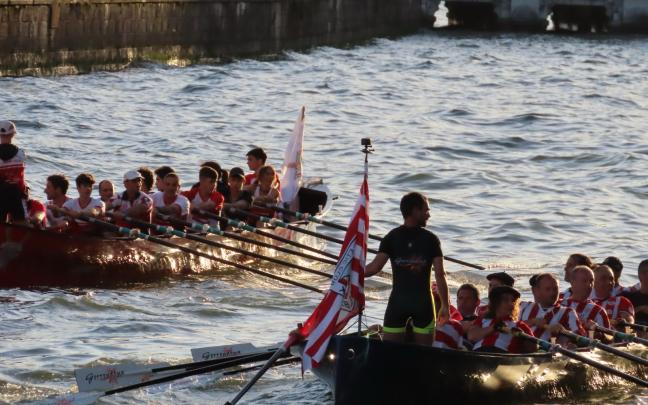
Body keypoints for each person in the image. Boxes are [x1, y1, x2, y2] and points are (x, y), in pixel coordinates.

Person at [365, 192, 450, 345]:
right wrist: (445, 306)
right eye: (426, 210)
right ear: (415, 210)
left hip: (398, 302)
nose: (429, 215)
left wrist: (351, 273)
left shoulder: (391, 237)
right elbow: (440, 274)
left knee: (391, 352)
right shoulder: (431, 239)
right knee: (423, 355)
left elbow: (373, 268)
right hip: (423, 304)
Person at [519, 273, 585, 346]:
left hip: (550, 351)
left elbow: (581, 338)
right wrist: (532, 322)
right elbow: (510, 326)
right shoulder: (522, 306)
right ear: (535, 291)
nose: (553, 293)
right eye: (548, 289)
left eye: (555, 289)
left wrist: (564, 331)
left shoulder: (568, 312)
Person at [466, 286, 537, 353]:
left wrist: (523, 337)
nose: (511, 304)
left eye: (513, 301)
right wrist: (493, 328)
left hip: (503, 355)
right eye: (506, 300)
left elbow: (534, 348)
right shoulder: (482, 320)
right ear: (495, 303)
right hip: (479, 353)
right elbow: (471, 336)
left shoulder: (520, 325)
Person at [560, 265, 611, 336]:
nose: (589, 285)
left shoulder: (599, 311)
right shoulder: (559, 304)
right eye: (584, 281)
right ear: (572, 282)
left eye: (591, 281)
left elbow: (609, 338)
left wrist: (596, 332)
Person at [0, 121, 26, 223]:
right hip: (17, 193)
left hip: (1, 192)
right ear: (13, 134)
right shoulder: (21, 154)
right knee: (20, 222)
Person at [621, 260, 648, 327]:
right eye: (645, 273)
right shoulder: (627, 297)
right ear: (640, 275)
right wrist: (640, 309)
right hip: (632, 330)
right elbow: (617, 314)